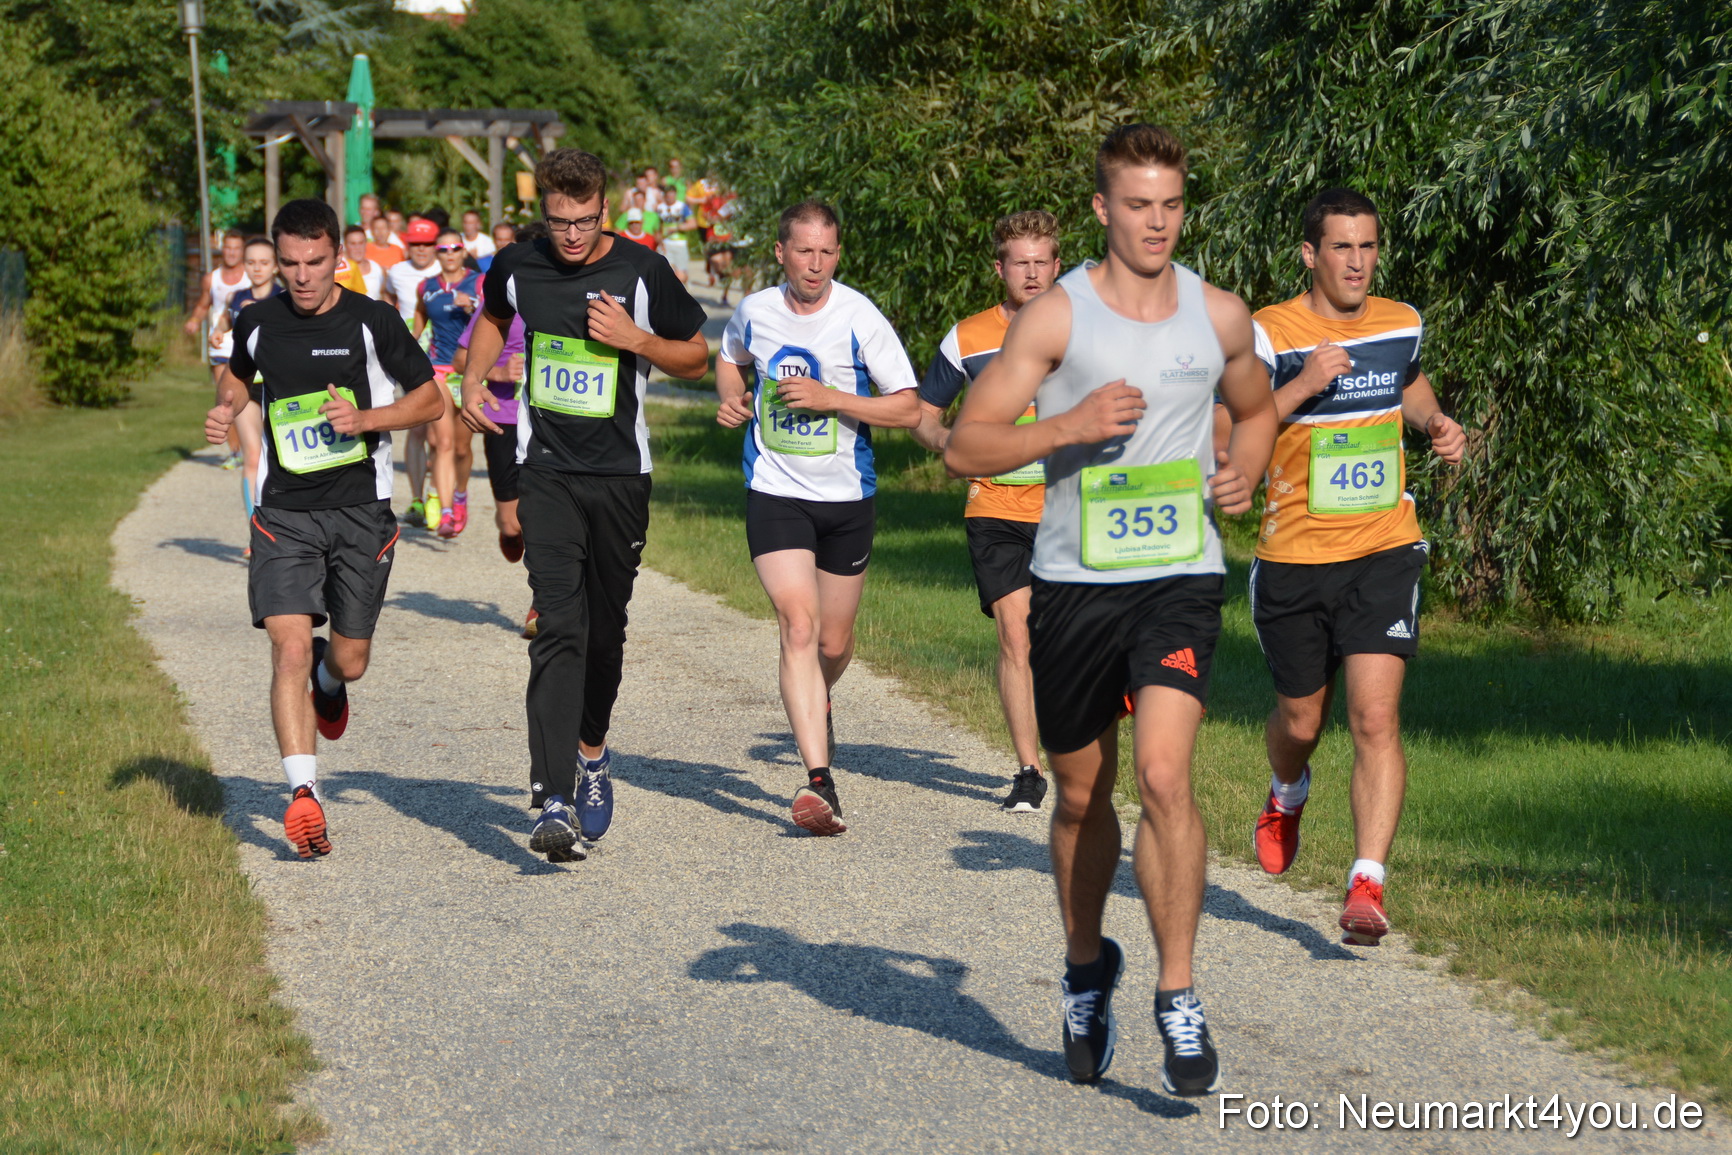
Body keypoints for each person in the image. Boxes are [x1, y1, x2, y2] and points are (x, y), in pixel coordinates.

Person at [946, 124, 1277, 1097]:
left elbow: (1258, 408)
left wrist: (1245, 470)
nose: (1156, 223)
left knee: (1166, 776)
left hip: (1178, 578)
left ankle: (1178, 993)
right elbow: (965, 445)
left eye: (1170, 205)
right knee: (1083, 795)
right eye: (1137, 205)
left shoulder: (1217, 314)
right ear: (1102, 209)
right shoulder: (1057, 317)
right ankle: (1087, 966)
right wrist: (1067, 425)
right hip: (1074, 583)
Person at [458, 148, 708, 862]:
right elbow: (492, 314)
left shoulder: (641, 270)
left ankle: (592, 751)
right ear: (544, 212)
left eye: (585, 221)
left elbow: (697, 357)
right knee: (559, 626)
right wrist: (472, 380)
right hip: (547, 473)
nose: (571, 235)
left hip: (620, 477)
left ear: (606, 210)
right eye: (558, 221)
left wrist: (638, 340)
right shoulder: (518, 263)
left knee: (604, 635)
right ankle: (554, 795)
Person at [1245, 188, 1466, 945]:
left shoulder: (1400, 320)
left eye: (1367, 246)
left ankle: (1367, 882)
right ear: (1310, 253)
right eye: (1341, 246)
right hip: (1294, 557)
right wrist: (1305, 383)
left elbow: (1408, 382)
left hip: (1383, 547)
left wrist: (1435, 422)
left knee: (1375, 716)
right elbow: (1233, 428)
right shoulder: (1270, 332)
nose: (1357, 262)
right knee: (1302, 720)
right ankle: (1287, 789)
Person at [203, 198, 442, 858]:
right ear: (277, 261)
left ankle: (329, 680)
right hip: (284, 512)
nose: (302, 276)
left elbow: (431, 398)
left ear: (337, 256)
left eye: (314, 262)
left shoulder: (372, 321)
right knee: (287, 649)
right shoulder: (257, 320)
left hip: (360, 510)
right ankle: (304, 793)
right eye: (289, 264)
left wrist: (366, 420)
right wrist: (225, 409)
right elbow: (238, 379)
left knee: (350, 659)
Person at [716, 201, 921, 836]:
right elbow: (728, 356)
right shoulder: (756, 311)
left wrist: (832, 399)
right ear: (781, 252)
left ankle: (817, 695)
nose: (816, 264)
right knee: (799, 627)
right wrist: (732, 398)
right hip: (775, 492)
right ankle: (818, 780)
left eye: (827, 252)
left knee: (831, 642)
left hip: (847, 499)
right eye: (804, 251)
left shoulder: (858, 316)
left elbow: (908, 407)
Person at [912, 210, 1062, 813]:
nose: (1032, 273)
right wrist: (951, 442)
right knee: (1015, 635)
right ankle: (1028, 770)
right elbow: (923, 415)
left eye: (1042, 261)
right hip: (995, 507)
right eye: (1020, 262)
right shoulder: (968, 337)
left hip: (1070, 508)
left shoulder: (1085, 331)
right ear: (1000, 268)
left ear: (1057, 265)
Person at [452, 224, 537, 637]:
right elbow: (460, 358)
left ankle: (543, 600)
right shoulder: (501, 300)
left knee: (546, 515)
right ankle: (510, 531)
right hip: (503, 418)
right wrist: (499, 371)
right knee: (512, 523)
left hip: (550, 422)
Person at [209, 236, 284, 538]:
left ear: (276, 266)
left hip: (279, 385)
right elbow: (225, 321)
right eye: (251, 262)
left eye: (264, 262)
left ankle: (283, 527)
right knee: (252, 456)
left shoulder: (285, 298)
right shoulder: (237, 297)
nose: (257, 268)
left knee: (279, 457)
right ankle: (256, 532)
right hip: (246, 384)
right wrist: (218, 331)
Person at [412, 228, 481, 538]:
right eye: (443, 249)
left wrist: (473, 308)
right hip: (438, 370)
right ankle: (446, 511)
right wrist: (410, 344)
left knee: (462, 448)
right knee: (442, 443)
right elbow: (420, 318)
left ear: (463, 251)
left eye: (455, 248)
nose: (449, 254)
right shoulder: (426, 286)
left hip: (468, 371)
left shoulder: (479, 282)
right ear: (436, 254)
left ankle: (461, 493)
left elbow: (495, 320)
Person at [384, 218, 444, 529]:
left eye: (427, 244)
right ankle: (418, 499)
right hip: (411, 355)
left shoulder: (446, 267)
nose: (421, 249)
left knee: (440, 433)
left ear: (436, 245)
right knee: (418, 429)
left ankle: (439, 494)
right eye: (416, 244)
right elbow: (387, 299)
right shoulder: (397, 271)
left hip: (444, 355)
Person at [186, 230, 250, 466]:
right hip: (220, 342)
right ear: (222, 249)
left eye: (236, 248)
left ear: (242, 251)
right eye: (228, 248)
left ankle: (255, 446)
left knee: (253, 399)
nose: (232, 252)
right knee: (226, 400)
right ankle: (235, 452)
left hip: (247, 343)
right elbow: (204, 305)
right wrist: (194, 320)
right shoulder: (211, 279)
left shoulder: (252, 276)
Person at [336, 224, 386, 300]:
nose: (357, 248)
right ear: (345, 245)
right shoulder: (338, 271)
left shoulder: (376, 268)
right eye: (353, 244)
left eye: (361, 243)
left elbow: (383, 296)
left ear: (366, 243)